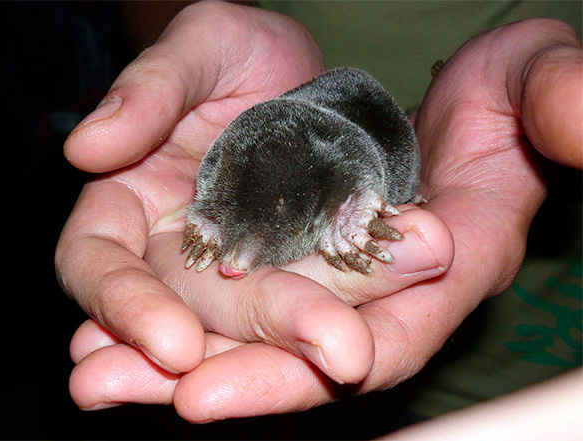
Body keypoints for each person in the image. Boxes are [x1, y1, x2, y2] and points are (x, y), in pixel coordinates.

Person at [56, 0, 582, 424]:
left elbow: (356, 164)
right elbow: (231, 157)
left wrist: (353, 213)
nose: (232, 270)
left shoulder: (341, 171)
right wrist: (208, 215)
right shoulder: (251, 144)